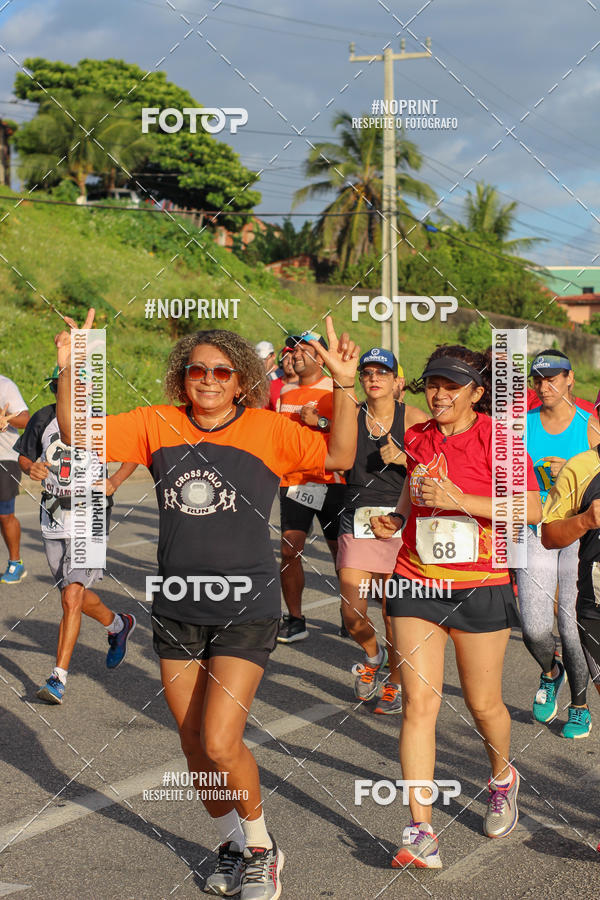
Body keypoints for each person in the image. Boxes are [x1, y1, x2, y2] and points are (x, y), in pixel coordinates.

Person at [54, 309, 359, 900]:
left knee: (221, 740)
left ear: (242, 380)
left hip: (247, 604)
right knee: (192, 741)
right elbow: (78, 431)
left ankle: (264, 851)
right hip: (177, 604)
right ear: (183, 377)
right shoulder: (156, 423)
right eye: (198, 370)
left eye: (222, 371)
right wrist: (73, 367)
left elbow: (341, 456)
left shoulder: (269, 431)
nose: (210, 379)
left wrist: (343, 385)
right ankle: (231, 843)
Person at [371, 345, 541, 869]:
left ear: (476, 392)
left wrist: (459, 500)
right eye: (433, 384)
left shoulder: (499, 439)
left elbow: (533, 507)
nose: (440, 394)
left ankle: (501, 776)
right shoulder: (419, 437)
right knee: (418, 706)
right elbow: (414, 489)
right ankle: (420, 830)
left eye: (451, 385)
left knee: (482, 704)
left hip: (480, 584)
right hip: (415, 581)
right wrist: (399, 520)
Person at [14, 367, 138, 704]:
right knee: (74, 595)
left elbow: (136, 449)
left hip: (92, 513)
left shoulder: (100, 420)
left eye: (69, 385)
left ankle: (58, 678)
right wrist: (31, 468)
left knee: (71, 597)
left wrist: (115, 481)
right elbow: (24, 454)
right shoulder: (42, 418)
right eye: (58, 385)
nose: (63, 391)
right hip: (53, 513)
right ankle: (118, 625)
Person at [338, 348, 427, 714]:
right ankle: (373, 656)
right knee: (352, 613)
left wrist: (406, 459)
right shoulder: (350, 415)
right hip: (356, 520)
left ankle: (394, 680)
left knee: (394, 613)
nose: (374, 378)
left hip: (398, 521)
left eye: (382, 373)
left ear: (396, 382)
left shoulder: (415, 419)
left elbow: (438, 469)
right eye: (368, 373)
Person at [517, 350, 599, 739]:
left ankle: (580, 705)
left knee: (571, 628)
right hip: (536, 531)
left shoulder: (590, 427)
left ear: (570, 380)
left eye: (553, 378)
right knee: (533, 629)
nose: (545, 386)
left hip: (579, 537)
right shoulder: (522, 426)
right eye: (538, 379)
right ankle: (552, 672)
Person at [277, 331, 348, 643]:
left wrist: (318, 422)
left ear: (321, 357)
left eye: (304, 350)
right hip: (293, 482)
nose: (295, 355)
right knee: (289, 551)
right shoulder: (285, 394)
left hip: (330, 483)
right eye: (293, 350)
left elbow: (351, 434)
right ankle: (295, 619)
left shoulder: (335, 391)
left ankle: (351, 615)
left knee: (340, 555)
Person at [0, 374, 30, 583]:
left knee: (4, 515)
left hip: (4, 458)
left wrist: (6, 419)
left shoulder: (5, 385)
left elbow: (25, 419)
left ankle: (15, 563)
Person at [255, 341, 283, 412]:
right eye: (258, 360)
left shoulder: (283, 376)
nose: (261, 363)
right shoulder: (254, 377)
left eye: (264, 359)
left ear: (273, 356)